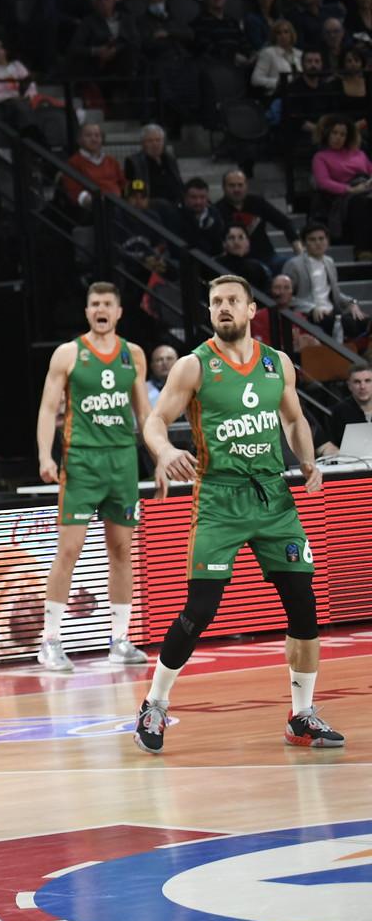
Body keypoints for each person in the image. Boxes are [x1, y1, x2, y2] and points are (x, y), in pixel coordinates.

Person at [137, 276, 343, 755]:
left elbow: (293, 419)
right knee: (200, 610)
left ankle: (301, 716)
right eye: (215, 302)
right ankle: (154, 703)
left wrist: (307, 458)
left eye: (232, 301)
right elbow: (153, 420)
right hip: (220, 499)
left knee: (303, 602)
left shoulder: (277, 364)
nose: (223, 308)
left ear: (252, 309)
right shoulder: (194, 366)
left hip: (273, 498)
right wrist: (165, 451)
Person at [33, 284, 152, 673]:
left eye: (108, 305)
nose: (101, 309)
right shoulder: (68, 354)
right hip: (82, 462)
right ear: (87, 311)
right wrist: (44, 455)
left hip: (122, 462)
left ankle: (119, 639)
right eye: (95, 304)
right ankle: (49, 641)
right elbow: (49, 407)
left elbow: (144, 414)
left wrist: (160, 459)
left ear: (119, 312)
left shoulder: (132, 354)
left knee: (121, 551)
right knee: (68, 551)